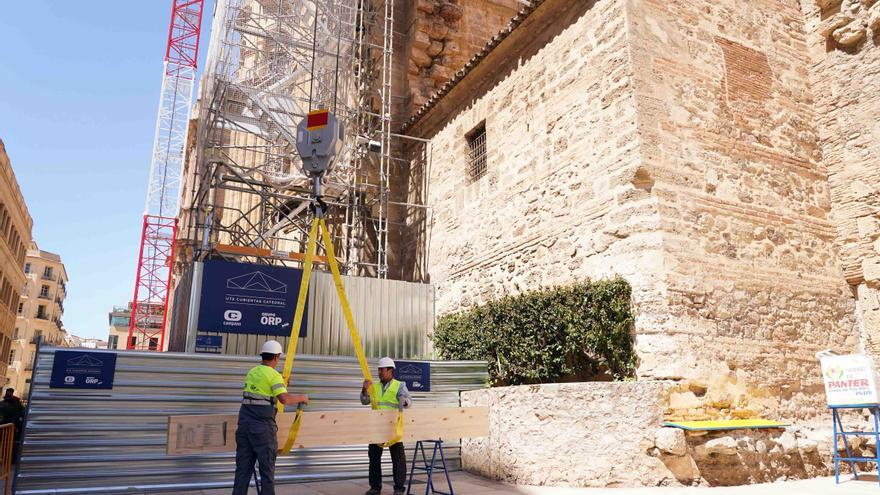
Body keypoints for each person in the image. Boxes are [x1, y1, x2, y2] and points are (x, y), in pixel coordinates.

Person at [232, 340, 308, 495]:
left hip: (244, 427)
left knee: (242, 472)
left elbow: (262, 393)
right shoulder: (274, 375)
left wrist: (282, 383)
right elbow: (284, 399)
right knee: (267, 472)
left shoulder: (252, 372)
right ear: (276, 357)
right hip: (262, 430)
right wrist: (302, 397)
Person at [361, 357, 412, 495]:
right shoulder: (374, 387)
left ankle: (399, 489)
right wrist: (364, 390)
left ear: (390, 370)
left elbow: (409, 402)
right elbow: (364, 401)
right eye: (379, 370)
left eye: (382, 370)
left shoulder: (399, 385)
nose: (380, 372)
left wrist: (404, 400)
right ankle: (375, 488)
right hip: (377, 427)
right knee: (374, 458)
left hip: (393, 428)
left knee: (398, 460)